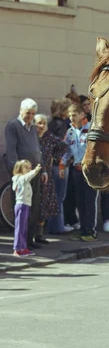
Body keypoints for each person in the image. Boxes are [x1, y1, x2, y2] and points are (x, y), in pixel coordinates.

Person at [5, 98, 48, 250]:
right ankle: (20, 243)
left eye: (32, 113)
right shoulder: (13, 126)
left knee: (34, 206)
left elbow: (38, 150)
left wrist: (42, 170)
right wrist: (16, 173)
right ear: (20, 111)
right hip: (22, 175)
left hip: (34, 172)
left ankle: (29, 240)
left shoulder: (32, 128)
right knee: (21, 210)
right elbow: (11, 151)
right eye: (28, 113)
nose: (30, 116)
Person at [59, 103, 98, 241]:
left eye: (74, 115)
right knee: (80, 201)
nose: (71, 117)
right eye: (69, 115)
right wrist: (62, 166)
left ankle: (90, 230)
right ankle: (82, 229)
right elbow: (67, 151)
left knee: (89, 200)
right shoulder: (70, 132)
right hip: (76, 170)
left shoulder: (91, 129)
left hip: (90, 170)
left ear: (82, 115)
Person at [34, 114, 66, 242]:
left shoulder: (49, 137)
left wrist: (55, 157)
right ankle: (30, 234)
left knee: (43, 206)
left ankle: (39, 235)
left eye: (44, 123)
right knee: (33, 206)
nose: (41, 126)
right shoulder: (31, 137)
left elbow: (63, 146)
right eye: (39, 123)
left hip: (46, 176)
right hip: (32, 175)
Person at [47, 98, 73, 234]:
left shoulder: (51, 124)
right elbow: (63, 145)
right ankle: (58, 227)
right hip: (60, 165)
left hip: (52, 164)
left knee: (54, 196)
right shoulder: (62, 125)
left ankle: (54, 225)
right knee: (59, 196)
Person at [12, 160, 42, 256]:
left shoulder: (23, 179)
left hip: (25, 205)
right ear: (20, 169)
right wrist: (35, 170)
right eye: (26, 167)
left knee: (24, 228)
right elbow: (27, 177)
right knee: (20, 228)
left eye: (30, 167)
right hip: (21, 205)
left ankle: (23, 247)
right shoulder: (19, 178)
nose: (29, 169)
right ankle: (17, 249)